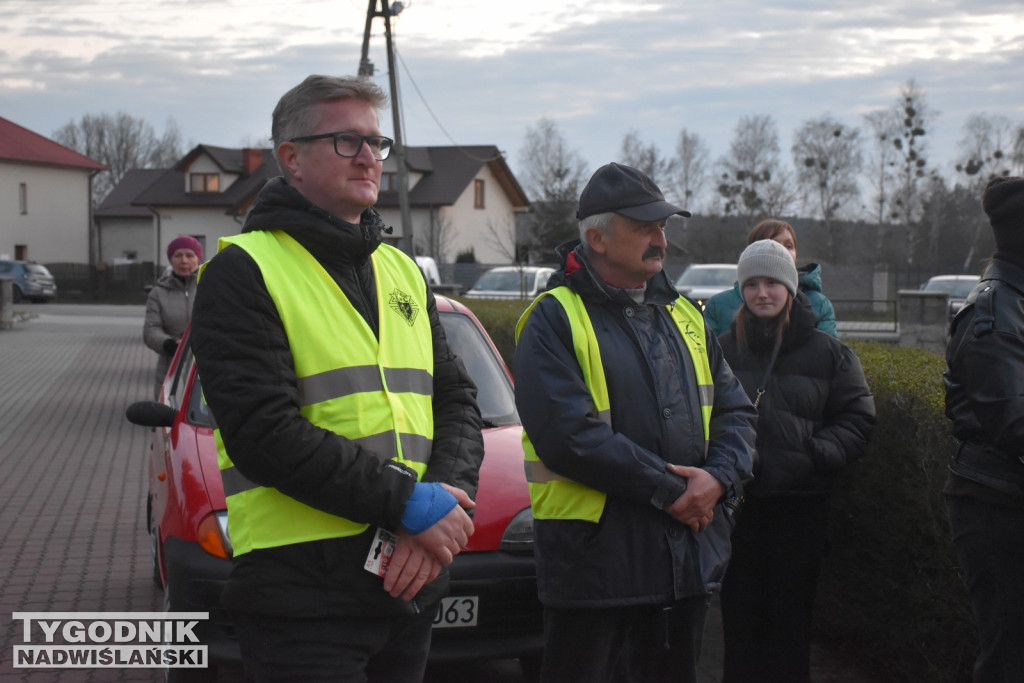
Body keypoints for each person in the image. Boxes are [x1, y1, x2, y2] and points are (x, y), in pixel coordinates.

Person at [189, 75, 484, 682]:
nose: (371, 157)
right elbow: (263, 433)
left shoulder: (401, 270)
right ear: (291, 158)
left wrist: (441, 508)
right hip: (303, 596)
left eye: (378, 143)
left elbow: (455, 398)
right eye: (348, 141)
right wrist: (409, 504)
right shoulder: (242, 271)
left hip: (411, 578)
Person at [513, 162, 758, 683]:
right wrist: (676, 491)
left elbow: (737, 411)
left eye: (663, 225)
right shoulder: (553, 318)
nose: (660, 238)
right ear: (597, 238)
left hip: (685, 564)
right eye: (644, 225)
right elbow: (569, 437)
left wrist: (718, 479)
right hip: (596, 573)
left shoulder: (686, 317)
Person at [716, 239, 875, 683]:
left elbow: (858, 418)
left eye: (771, 283)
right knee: (739, 625)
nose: (761, 293)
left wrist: (814, 455)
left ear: (789, 288)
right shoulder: (720, 351)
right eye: (751, 284)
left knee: (790, 627)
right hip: (735, 511)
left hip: (799, 510)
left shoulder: (830, 354)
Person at [944, 175, 1024, 682]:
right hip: (999, 507)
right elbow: (1013, 422)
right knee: (1010, 657)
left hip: (1007, 498)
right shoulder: (996, 310)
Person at [703, 219, 837, 338]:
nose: (782, 251)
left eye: (789, 246)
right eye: (774, 244)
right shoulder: (718, 306)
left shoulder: (819, 305)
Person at [143, 234, 201, 396]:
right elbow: (151, 329)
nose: (184, 261)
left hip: (205, 368)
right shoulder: (158, 293)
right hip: (170, 366)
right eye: (178, 255)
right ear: (170, 260)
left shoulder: (211, 288)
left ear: (198, 259)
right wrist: (170, 344)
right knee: (168, 415)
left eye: (190, 255)